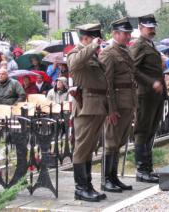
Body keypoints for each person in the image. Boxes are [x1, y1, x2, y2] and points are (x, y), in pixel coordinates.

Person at [67, 23, 107, 202]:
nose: (98, 43)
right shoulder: (75, 53)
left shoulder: (92, 56)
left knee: (90, 147)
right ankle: (80, 188)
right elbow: (74, 64)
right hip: (86, 107)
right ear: (86, 38)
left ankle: (88, 185)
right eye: (95, 39)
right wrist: (92, 46)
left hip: (98, 105)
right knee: (82, 147)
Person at [99, 17, 135, 192]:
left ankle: (113, 177)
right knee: (111, 141)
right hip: (116, 105)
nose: (128, 37)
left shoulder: (124, 51)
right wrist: (110, 109)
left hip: (127, 103)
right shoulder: (108, 53)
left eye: (129, 34)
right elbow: (107, 84)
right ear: (115, 34)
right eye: (125, 34)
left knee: (119, 141)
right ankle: (106, 179)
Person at [130, 14, 165, 183]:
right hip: (145, 94)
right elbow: (132, 69)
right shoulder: (138, 45)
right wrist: (151, 83)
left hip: (155, 95)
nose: (152, 30)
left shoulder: (150, 44)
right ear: (140, 28)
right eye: (148, 27)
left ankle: (148, 169)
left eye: (153, 27)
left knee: (151, 130)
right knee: (142, 131)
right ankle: (142, 170)